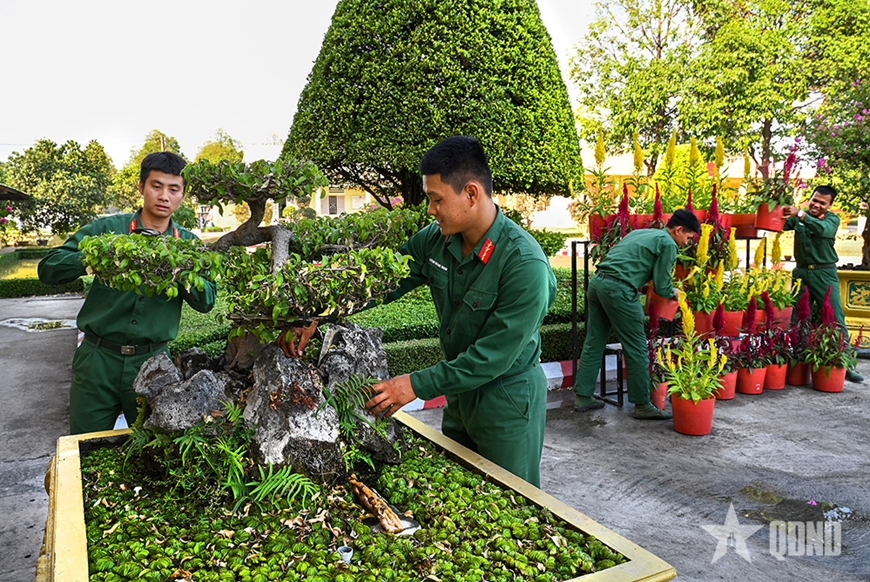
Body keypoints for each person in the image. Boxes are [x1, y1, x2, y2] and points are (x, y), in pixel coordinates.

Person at [278, 136, 556, 486]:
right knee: (460, 488)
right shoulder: (435, 240)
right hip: (460, 395)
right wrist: (316, 314)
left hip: (508, 401)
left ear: (471, 193)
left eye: (437, 199)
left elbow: (491, 358)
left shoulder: (524, 265)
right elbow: (378, 282)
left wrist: (414, 384)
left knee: (511, 500)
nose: (430, 210)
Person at [38, 152, 217, 434]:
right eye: (156, 186)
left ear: (183, 195)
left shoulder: (189, 245)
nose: (164, 196)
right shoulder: (106, 231)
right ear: (141, 187)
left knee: (150, 446)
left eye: (174, 189)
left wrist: (181, 269)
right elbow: (48, 269)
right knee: (84, 444)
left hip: (153, 364)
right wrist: (95, 257)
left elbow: (207, 302)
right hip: (97, 359)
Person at [573, 209, 700, 419]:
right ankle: (642, 405)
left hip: (598, 284)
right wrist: (674, 292)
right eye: (688, 237)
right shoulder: (668, 244)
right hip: (619, 290)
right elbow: (662, 286)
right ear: (678, 230)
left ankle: (583, 396)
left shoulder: (642, 233)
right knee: (637, 348)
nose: (686, 243)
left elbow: (629, 263)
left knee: (594, 341)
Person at [782, 185, 863, 383]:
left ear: (829, 206)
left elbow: (823, 230)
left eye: (822, 203)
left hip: (824, 273)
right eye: (814, 200)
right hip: (801, 272)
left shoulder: (831, 219)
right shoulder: (799, 218)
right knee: (799, 318)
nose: (816, 205)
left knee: (834, 318)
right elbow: (779, 223)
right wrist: (776, 203)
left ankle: (846, 364)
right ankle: (800, 360)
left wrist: (800, 214)